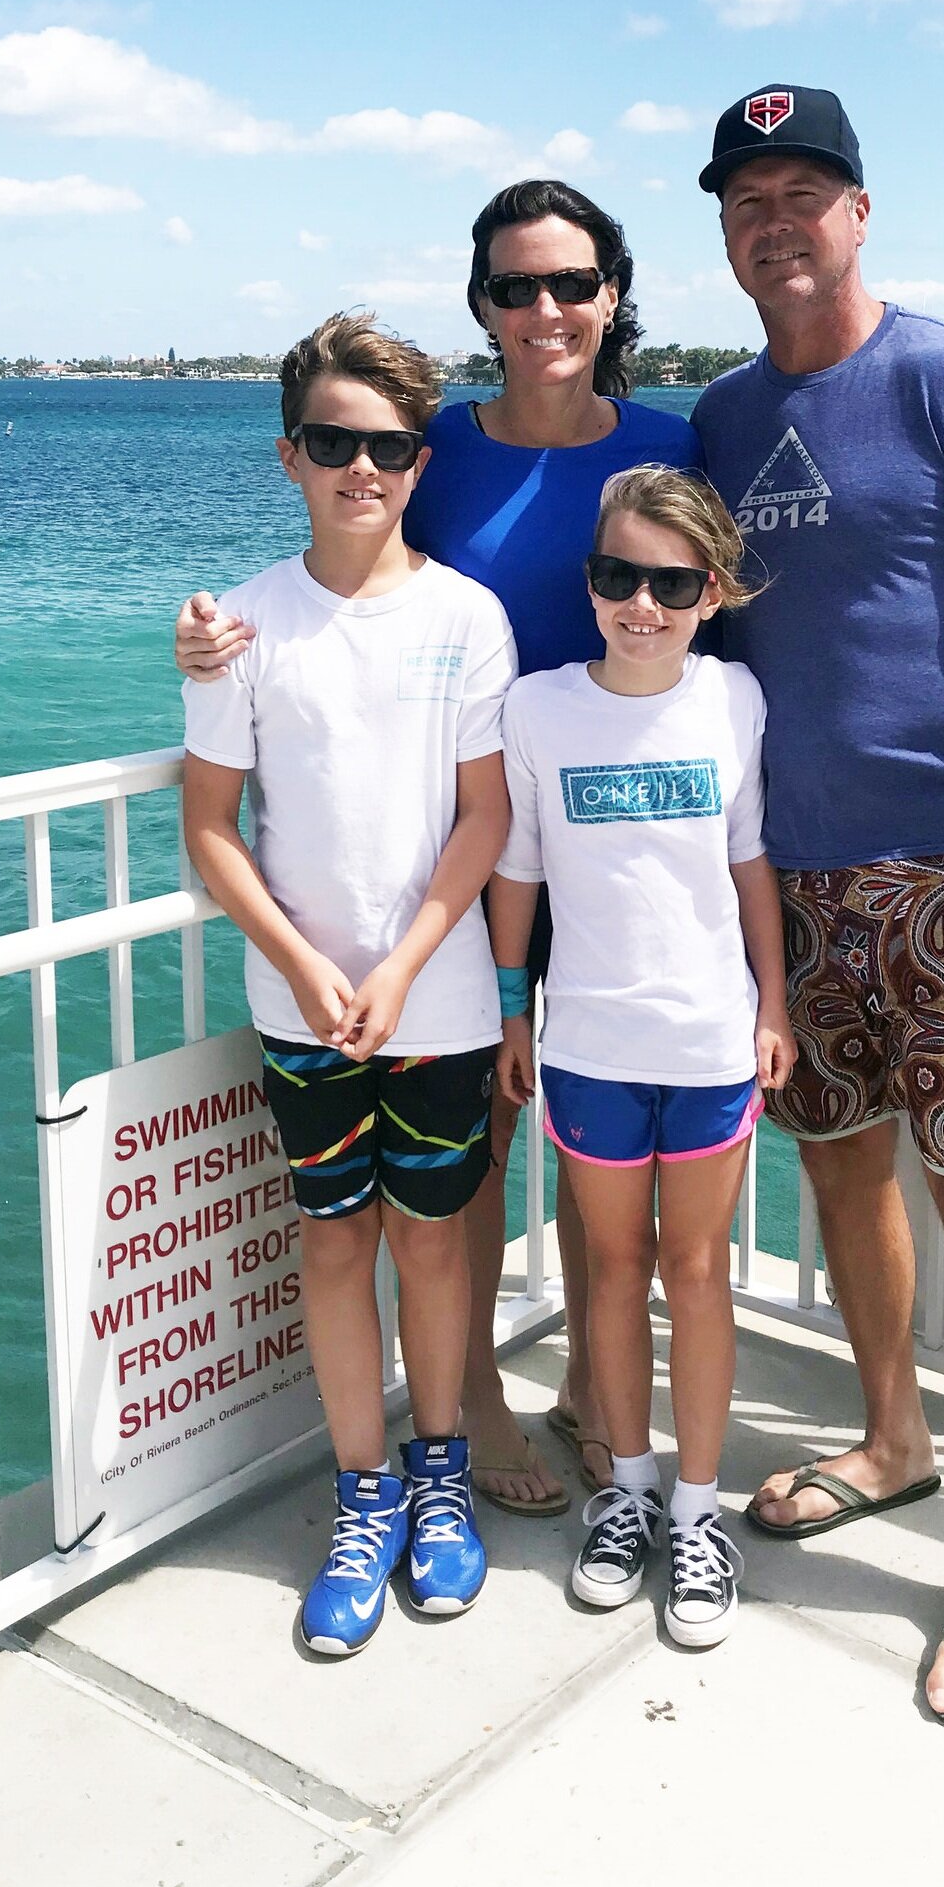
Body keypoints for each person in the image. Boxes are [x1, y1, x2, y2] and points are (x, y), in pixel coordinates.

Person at [175, 181, 699, 1514]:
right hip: (475, 870)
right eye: (515, 289)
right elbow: (336, 561)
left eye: (570, 284)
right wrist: (204, 646)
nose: (544, 311)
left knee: (598, 1145)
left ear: (613, 296)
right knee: (473, 1157)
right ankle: (467, 1401)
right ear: (481, 306)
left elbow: (708, 601)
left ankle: (598, 1390)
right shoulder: (442, 447)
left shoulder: (670, 442)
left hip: (613, 843)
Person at [690, 85, 944, 1727]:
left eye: (805, 192)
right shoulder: (724, 419)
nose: (775, 223)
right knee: (846, 1168)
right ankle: (892, 1436)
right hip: (795, 877)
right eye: (745, 201)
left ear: (860, 212)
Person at [179, 313, 514, 1658]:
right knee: (333, 1242)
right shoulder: (242, 624)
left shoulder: (466, 616)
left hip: (436, 1005)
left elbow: (482, 818)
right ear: (290, 455)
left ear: (418, 463)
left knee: (434, 1240)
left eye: (385, 447)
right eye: (333, 444)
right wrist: (309, 965)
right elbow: (212, 827)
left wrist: (412, 958)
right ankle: (361, 1495)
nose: (359, 471)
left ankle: (440, 1476)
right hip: (300, 1007)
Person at [490, 467, 794, 1647]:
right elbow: (516, 870)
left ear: (711, 593)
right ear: (591, 583)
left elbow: (750, 862)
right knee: (610, 1276)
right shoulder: (537, 708)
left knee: (698, 1271)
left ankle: (700, 1512)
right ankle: (625, 1491)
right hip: (589, 1044)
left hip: (711, 1037)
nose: (643, 604)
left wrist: (773, 1005)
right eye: (621, 576)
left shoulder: (736, 699)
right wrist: (515, 1012)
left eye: (673, 582)